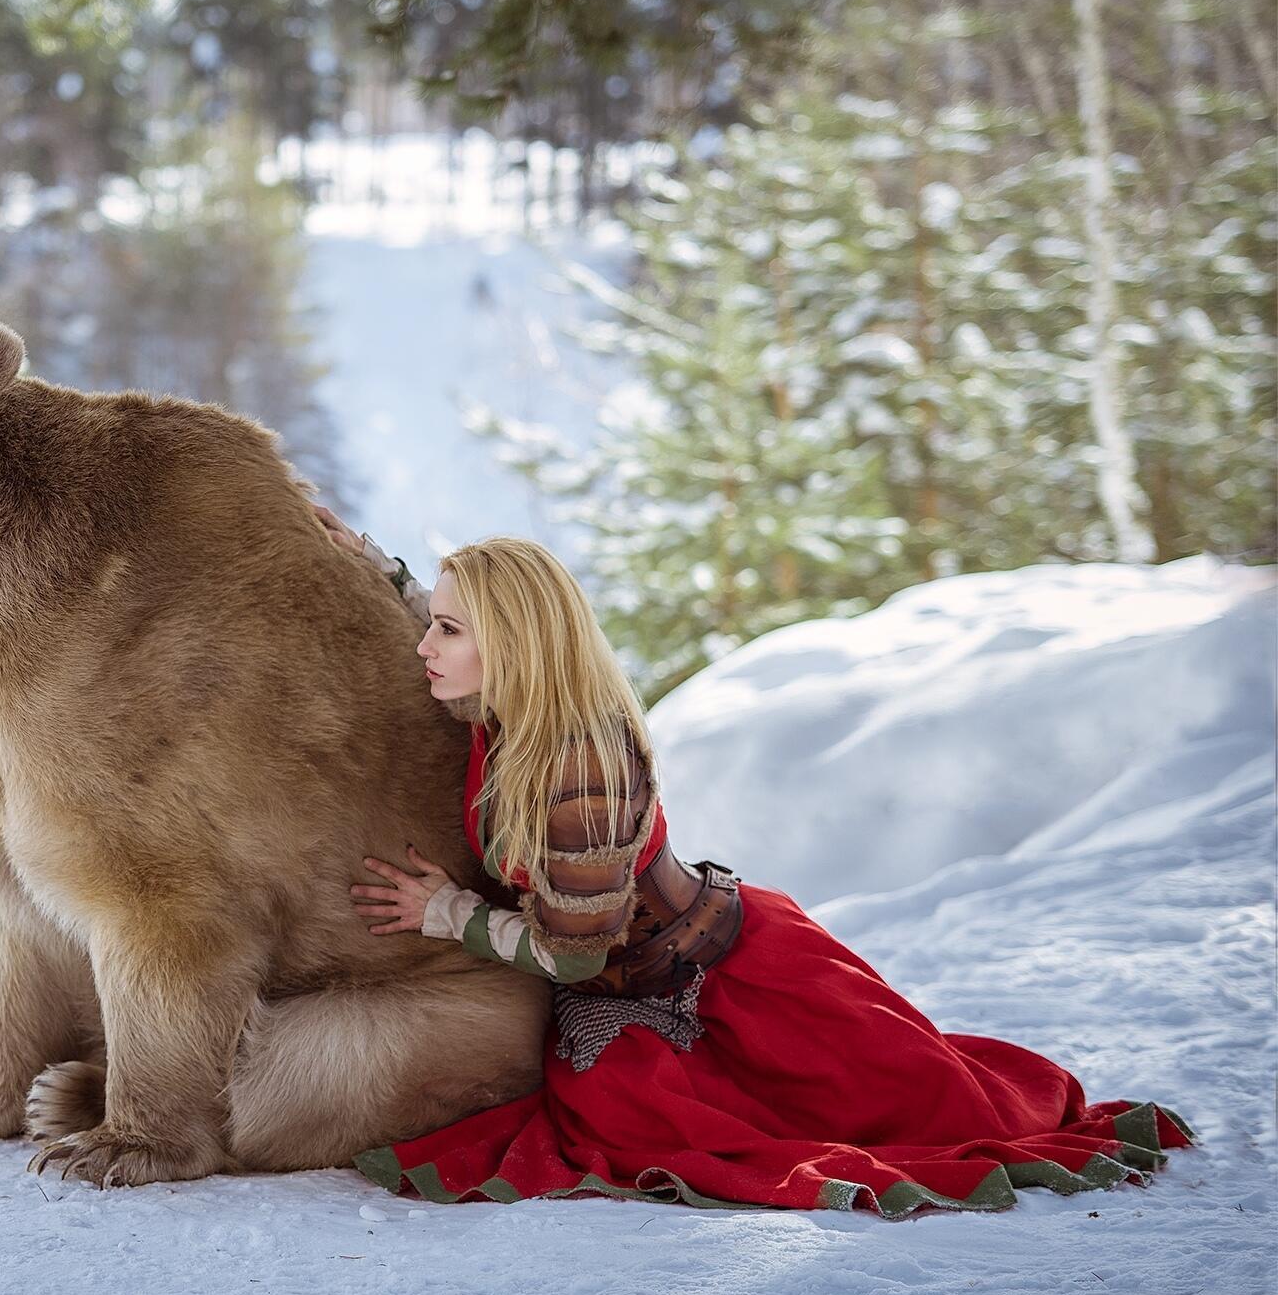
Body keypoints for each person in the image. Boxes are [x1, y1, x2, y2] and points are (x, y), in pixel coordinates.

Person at [313, 504, 1197, 1217]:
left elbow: (578, 952)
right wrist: (372, 565)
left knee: (946, 1113)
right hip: (651, 979)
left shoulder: (576, 767)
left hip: (729, 980)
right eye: (430, 622)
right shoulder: (512, 710)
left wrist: (446, 915)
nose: (426, 646)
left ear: (512, 643)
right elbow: (454, 612)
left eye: (448, 630)